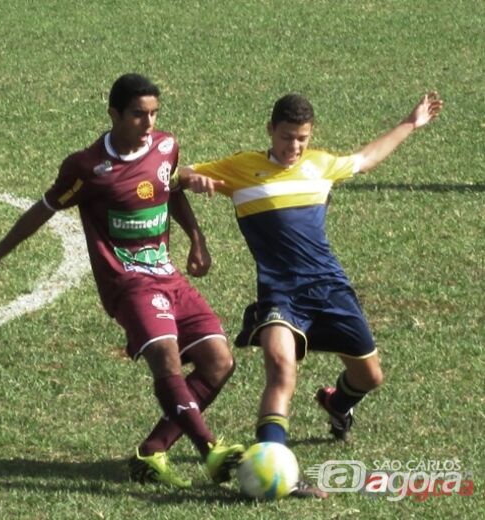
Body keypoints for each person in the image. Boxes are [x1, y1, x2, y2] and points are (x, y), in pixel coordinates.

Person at [0, 73, 244, 489]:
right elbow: (42, 210)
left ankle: (152, 452)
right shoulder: (87, 167)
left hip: (167, 275)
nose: (148, 123)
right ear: (114, 114)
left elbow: (171, 189)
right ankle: (209, 451)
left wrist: (197, 239)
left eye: (153, 114)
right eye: (138, 115)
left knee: (219, 362)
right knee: (166, 358)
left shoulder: (166, 146)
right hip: (127, 283)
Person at [179, 92, 444, 450]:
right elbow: (176, 176)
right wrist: (192, 179)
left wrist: (410, 123)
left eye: (302, 138)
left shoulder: (320, 165)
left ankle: (337, 404)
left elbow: (366, 159)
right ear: (270, 130)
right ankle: (270, 457)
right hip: (280, 294)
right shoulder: (241, 169)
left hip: (330, 288)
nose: (294, 145)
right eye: (287, 136)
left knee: (370, 377)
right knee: (281, 370)